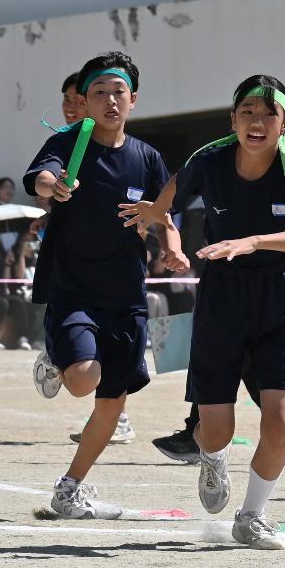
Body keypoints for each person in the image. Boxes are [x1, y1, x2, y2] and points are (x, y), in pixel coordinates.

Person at [132, 75, 285, 548]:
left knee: (279, 420)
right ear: (233, 119)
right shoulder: (209, 160)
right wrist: (158, 224)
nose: (257, 122)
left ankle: (252, 516)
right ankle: (212, 457)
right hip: (222, 299)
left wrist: (255, 241)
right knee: (217, 430)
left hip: (279, 300)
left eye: (268, 114)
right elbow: (167, 201)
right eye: (247, 113)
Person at [26, 52, 174, 519]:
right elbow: (41, 176)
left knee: (112, 404)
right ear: (85, 101)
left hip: (126, 294)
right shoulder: (68, 142)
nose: (110, 100)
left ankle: (70, 488)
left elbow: (164, 212)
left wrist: (172, 244)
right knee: (82, 380)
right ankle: (58, 356)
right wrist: (53, 186)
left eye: (118, 92)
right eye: (99, 93)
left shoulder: (146, 157)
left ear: (133, 99)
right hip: (73, 288)